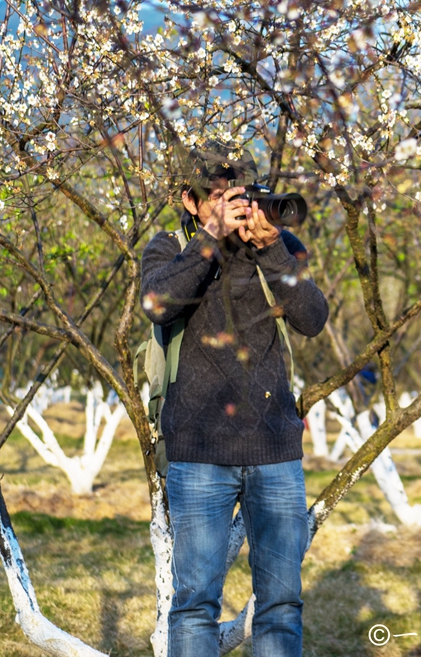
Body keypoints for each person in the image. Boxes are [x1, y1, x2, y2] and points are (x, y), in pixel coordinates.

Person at [140, 144, 329, 657]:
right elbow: (157, 305)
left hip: (274, 449)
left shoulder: (276, 244)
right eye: (217, 195)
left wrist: (271, 250)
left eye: (238, 194)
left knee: (281, 604)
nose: (231, 204)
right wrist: (211, 239)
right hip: (199, 451)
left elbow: (313, 318)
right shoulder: (167, 247)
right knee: (195, 604)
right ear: (189, 200)